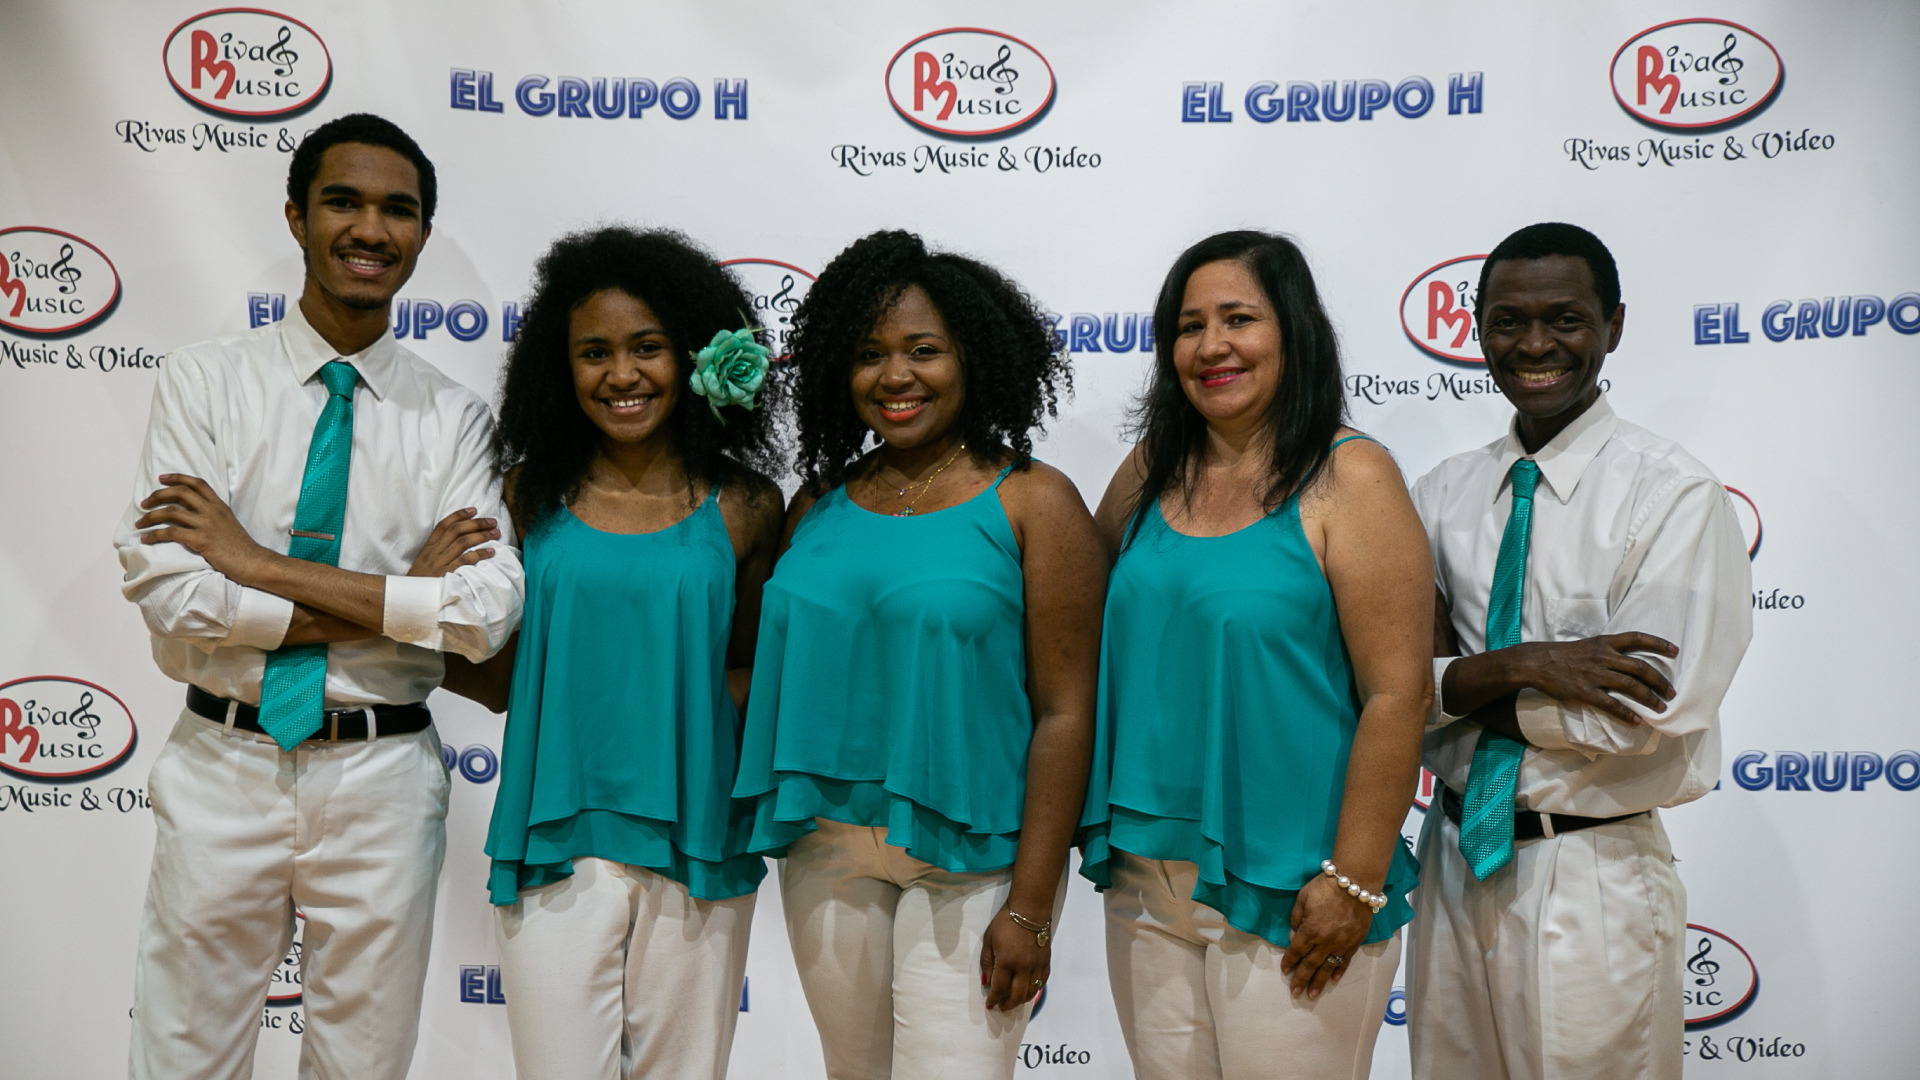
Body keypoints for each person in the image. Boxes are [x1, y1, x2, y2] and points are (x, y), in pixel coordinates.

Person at [114, 114, 523, 1080]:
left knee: (363, 1065)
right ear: (296, 217)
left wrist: (253, 564)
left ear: (422, 236)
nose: (371, 229)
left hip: (383, 778)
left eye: (400, 210)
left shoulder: (458, 419)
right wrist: (401, 595)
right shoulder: (202, 383)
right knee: (181, 1056)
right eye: (345, 201)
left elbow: (482, 614)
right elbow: (173, 593)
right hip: (225, 759)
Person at [733, 229, 1104, 1079]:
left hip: (972, 865)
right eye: (869, 354)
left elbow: (1066, 713)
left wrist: (1035, 907)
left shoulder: (1035, 502)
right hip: (824, 850)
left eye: (923, 351)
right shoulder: (817, 501)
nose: (895, 376)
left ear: (973, 357)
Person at [1080, 230, 1431, 1080]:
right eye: (1190, 325)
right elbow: (1075, 633)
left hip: (1298, 887)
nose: (1213, 347)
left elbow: (1398, 696)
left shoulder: (1352, 476)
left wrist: (1353, 882)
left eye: (1239, 318)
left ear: (1295, 331)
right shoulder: (1146, 471)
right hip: (1143, 878)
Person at [1406, 222, 1753, 1080]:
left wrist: (1454, 682)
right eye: (1507, 321)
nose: (1534, 346)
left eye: (1564, 319)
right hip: (1449, 863)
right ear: (1476, 327)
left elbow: (1639, 718)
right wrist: (1532, 663)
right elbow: (1389, 689)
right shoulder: (1440, 494)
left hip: (1589, 871)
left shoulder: (1671, 495)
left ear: (1614, 325)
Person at [465, 227, 786, 1080]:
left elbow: (754, 672)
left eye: (646, 348)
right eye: (593, 353)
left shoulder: (750, 505)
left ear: (692, 356)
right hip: (553, 834)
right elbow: (492, 671)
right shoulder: (525, 494)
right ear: (556, 369)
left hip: (699, 837)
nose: (621, 375)